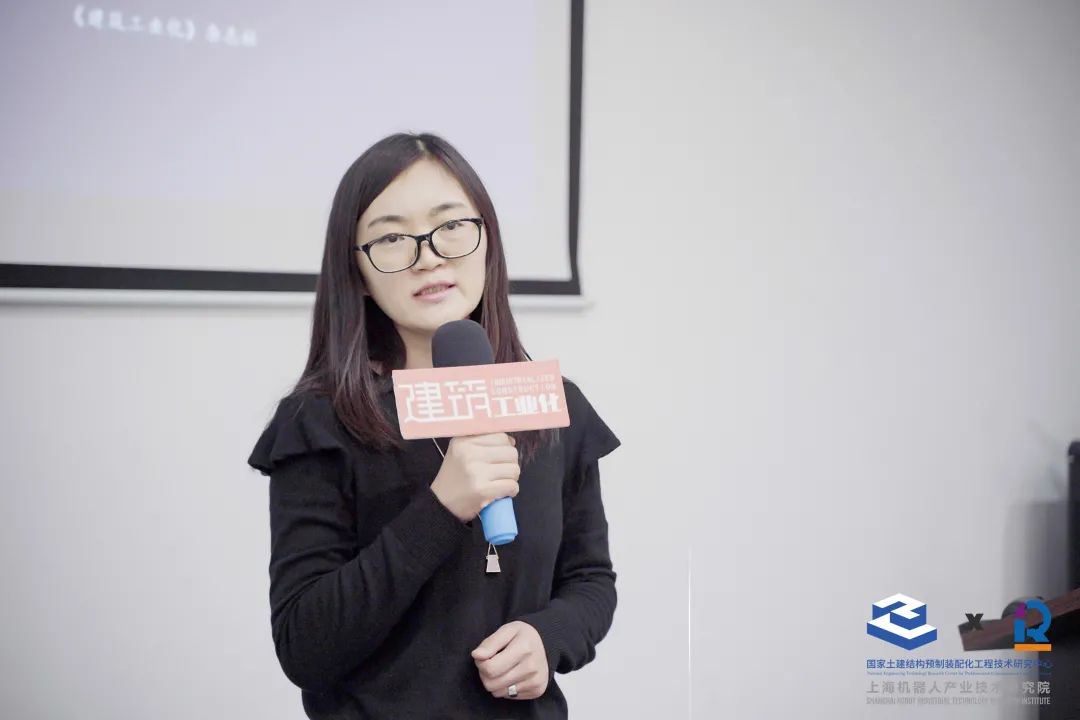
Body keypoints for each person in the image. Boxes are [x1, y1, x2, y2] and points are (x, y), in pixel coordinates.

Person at [246, 132, 621, 719]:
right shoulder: (320, 421)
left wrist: (548, 638)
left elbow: (590, 580)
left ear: (487, 240)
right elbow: (305, 646)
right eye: (392, 238)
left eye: (451, 226)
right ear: (357, 270)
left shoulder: (551, 404)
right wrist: (443, 507)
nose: (429, 256)